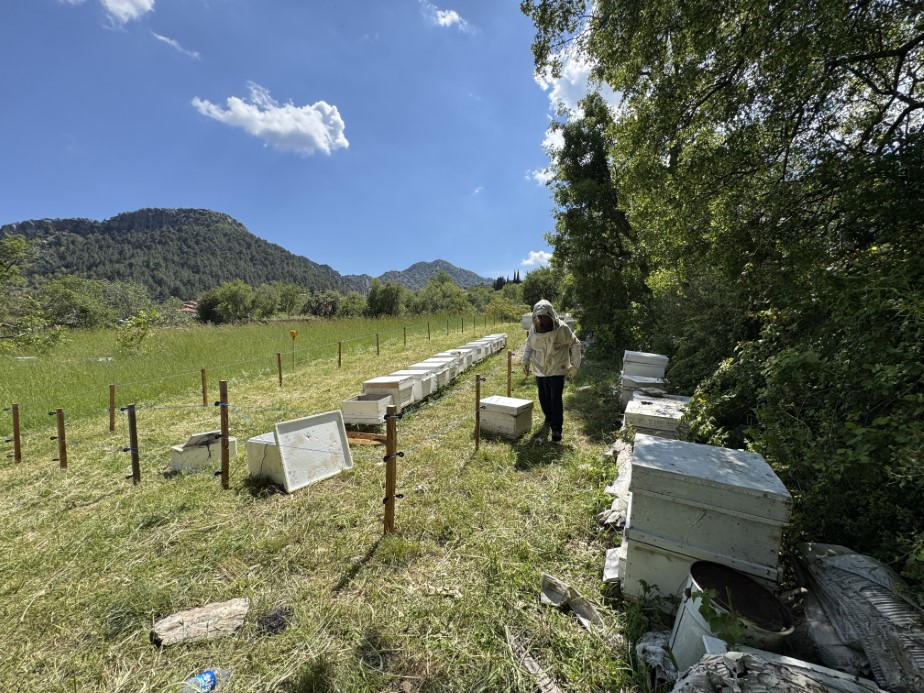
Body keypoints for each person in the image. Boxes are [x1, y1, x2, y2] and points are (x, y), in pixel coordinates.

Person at [522, 300, 581, 442]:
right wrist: (525, 359)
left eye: (544, 316)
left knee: (555, 398)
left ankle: (556, 429)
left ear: (551, 315)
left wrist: (574, 366)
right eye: (539, 317)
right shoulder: (534, 329)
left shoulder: (562, 329)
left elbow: (575, 344)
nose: (541, 320)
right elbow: (529, 345)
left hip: (557, 368)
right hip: (539, 369)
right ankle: (548, 417)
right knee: (543, 397)